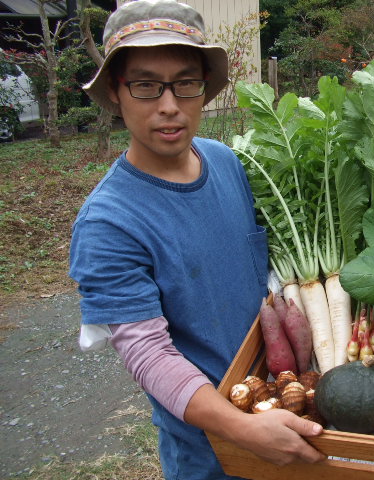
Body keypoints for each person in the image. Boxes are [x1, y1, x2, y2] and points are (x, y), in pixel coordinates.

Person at [68, 1, 325, 478]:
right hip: (212, 449)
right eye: (145, 85)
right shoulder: (108, 224)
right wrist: (239, 427)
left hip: (286, 403)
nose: (169, 105)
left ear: (203, 91)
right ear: (115, 92)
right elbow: (149, 354)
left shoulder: (225, 161)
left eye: (185, 83)